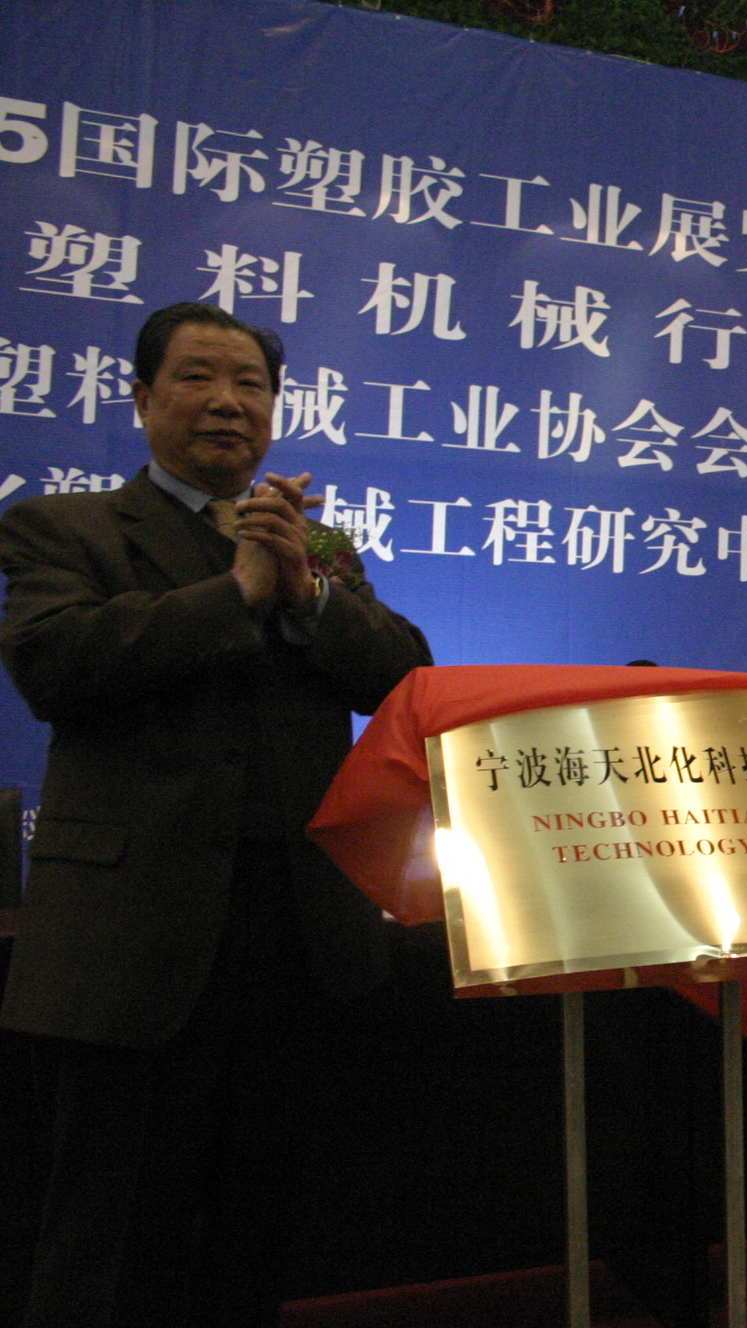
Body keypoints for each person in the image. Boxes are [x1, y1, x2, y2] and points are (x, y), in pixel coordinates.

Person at [0, 301, 431, 1327]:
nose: (227, 402)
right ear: (143, 398)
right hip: (131, 937)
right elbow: (58, 663)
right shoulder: (65, 526)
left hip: (293, 932)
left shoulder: (314, 541)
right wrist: (237, 589)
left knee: (255, 1221)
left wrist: (307, 596)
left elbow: (402, 673)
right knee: (107, 1231)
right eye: (197, 377)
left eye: (250, 384)